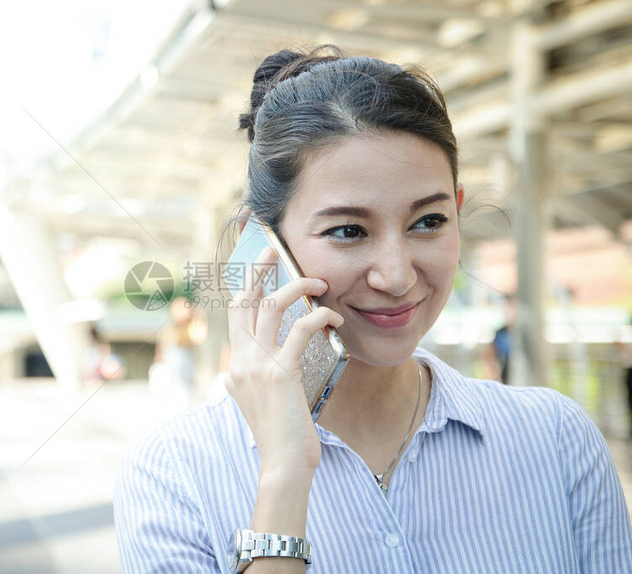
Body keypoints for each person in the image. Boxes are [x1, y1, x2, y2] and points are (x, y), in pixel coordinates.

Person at [113, 46, 632, 573]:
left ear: (457, 206)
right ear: (262, 242)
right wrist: (285, 475)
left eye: (428, 221)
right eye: (348, 231)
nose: (397, 275)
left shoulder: (556, 439)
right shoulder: (174, 472)